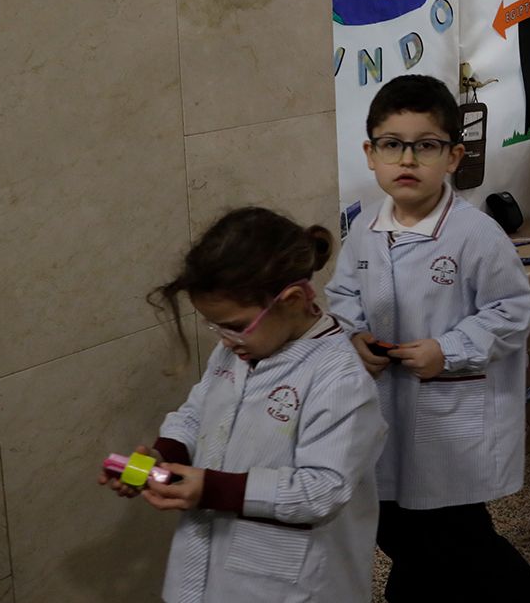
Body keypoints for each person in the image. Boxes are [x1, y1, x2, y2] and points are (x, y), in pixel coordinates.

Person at [324, 76, 530, 602]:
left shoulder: (475, 235)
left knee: (455, 535)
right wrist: (354, 336)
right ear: (370, 153)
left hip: (448, 418)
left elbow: (514, 308)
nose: (407, 159)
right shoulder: (364, 230)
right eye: (391, 144)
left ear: (453, 157)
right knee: (395, 524)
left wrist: (447, 350)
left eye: (425, 145)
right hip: (383, 411)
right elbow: (341, 295)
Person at [102, 208, 386, 603]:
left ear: (293, 299)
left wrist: (213, 489)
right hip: (208, 566)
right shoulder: (237, 350)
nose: (224, 339)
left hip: (288, 582)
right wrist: (158, 456)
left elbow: (323, 489)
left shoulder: (340, 378)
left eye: (235, 325)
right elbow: (196, 413)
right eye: (214, 325)